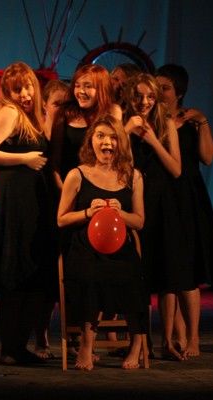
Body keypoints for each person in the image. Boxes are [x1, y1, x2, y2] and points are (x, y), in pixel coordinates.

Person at [0, 61, 57, 365]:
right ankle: (11, 349)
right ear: (8, 93)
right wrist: (24, 159)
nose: (24, 94)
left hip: (31, 204)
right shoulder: (10, 113)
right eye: (17, 89)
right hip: (15, 205)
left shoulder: (31, 117)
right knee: (15, 275)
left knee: (30, 277)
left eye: (28, 87)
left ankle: (17, 347)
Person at [57, 114, 147, 370]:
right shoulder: (77, 175)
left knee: (134, 275)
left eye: (112, 137)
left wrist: (120, 213)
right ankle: (87, 345)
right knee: (89, 274)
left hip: (121, 249)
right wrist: (88, 212)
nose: (107, 142)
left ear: (120, 143)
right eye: (100, 136)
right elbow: (61, 219)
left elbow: (139, 221)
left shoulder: (133, 176)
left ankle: (137, 346)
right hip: (86, 248)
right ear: (91, 141)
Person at [155, 64, 213, 358]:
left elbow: (208, 157)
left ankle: (193, 338)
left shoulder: (192, 121)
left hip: (187, 197)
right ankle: (175, 338)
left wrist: (203, 121)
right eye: (157, 87)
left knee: (188, 270)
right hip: (161, 198)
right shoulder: (152, 122)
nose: (160, 93)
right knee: (168, 270)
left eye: (166, 88)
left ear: (179, 93)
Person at [122, 73, 189, 361]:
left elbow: (176, 169)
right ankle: (141, 341)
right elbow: (117, 161)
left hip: (163, 203)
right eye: (139, 96)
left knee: (167, 276)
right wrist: (126, 131)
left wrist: (152, 140)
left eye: (150, 96)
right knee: (139, 275)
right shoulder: (124, 121)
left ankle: (168, 341)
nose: (144, 102)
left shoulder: (166, 124)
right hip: (137, 203)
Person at [32, 79, 70, 360]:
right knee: (45, 278)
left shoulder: (69, 130)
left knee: (67, 275)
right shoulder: (37, 132)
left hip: (65, 203)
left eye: (65, 105)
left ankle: (75, 336)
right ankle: (41, 335)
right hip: (42, 204)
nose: (61, 109)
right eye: (56, 104)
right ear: (44, 104)